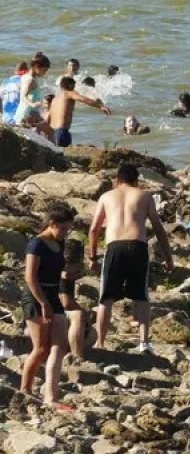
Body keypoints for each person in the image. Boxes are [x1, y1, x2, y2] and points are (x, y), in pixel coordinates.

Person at [88, 163, 172, 352]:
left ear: (117, 180)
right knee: (141, 297)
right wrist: (168, 257)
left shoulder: (106, 196)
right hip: (138, 246)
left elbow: (94, 229)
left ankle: (100, 343)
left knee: (106, 298)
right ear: (137, 180)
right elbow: (158, 228)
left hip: (114, 247)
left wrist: (92, 257)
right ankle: (144, 342)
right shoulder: (144, 196)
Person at [22, 205, 76, 411]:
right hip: (36, 295)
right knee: (41, 348)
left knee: (59, 346)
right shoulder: (36, 244)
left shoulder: (59, 243)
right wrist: (43, 303)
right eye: (63, 229)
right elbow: (30, 277)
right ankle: (25, 389)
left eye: (68, 229)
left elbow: (57, 269)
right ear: (52, 224)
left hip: (53, 294)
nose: (66, 233)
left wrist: (68, 274)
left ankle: (51, 397)